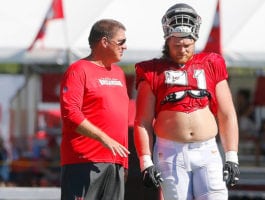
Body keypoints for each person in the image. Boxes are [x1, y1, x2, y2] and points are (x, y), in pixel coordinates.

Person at [134, 3, 239, 200]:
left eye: (187, 45)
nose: (182, 50)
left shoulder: (211, 64)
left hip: (208, 150)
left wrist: (232, 156)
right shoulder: (151, 71)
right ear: (167, 41)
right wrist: (145, 161)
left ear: (195, 40)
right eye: (177, 45)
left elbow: (227, 113)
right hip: (171, 152)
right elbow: (142, 121)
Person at [60, 19, 130, 200]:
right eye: (121, 41)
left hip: (115, 162)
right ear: (104, 42)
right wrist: (104, 139)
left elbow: (120, 119)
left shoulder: (119, 73)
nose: (125, 47)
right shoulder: (78, 70)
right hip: (84, 161)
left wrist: (124, 163)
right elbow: (70, 114)